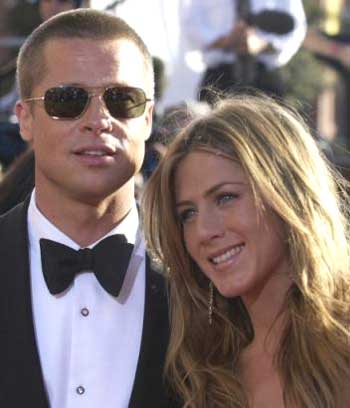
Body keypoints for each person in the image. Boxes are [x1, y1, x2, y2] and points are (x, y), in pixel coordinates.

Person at [0, 9, 175, 408]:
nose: (98, 120)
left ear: (147, 119)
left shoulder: (202, 276)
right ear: (24, 119)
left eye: (122, 100)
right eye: (67, 100)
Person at [142, 93, 350, 407]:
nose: (205, 231)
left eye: (225, 198)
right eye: (188, 213)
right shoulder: (204, 376)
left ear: (287, 192)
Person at [184, 0, 306, 102]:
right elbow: (191, 27)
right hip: (218, 78)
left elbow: (295, 30)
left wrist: (260, 44)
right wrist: (227, 40)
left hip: (263, 77)